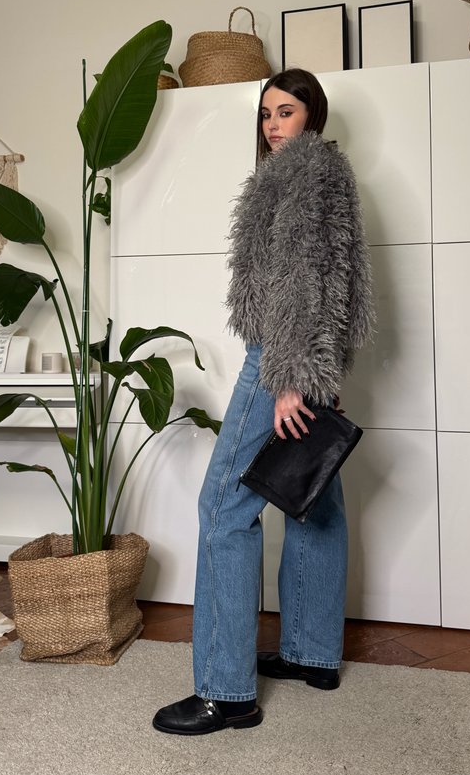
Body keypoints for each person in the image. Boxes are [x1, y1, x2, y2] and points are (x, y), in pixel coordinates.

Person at [153, 68, 374, 736]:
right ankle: (311, 651)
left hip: (277, 355)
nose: (273, 124)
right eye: (265, 113)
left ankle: (226, 690)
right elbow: (344, 281)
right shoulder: (327, 174)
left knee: (224, 507)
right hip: (309, 355)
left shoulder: (302, 176)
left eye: (287, 111)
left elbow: (306, 280)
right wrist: (325, 369)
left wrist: (287, 380)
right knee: (312, 496)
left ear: (314, 115)